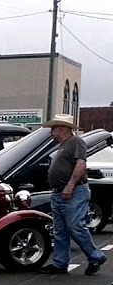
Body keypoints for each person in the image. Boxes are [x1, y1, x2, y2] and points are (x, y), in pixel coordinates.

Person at [38, 113, 105, 275]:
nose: (51, 133)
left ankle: (95, 256)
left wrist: (70, 186)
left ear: (62, 129)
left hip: (73, 192)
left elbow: (81, 164)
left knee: (75, 226)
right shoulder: (63, 145)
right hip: (59, 192)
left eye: (53, 129)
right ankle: (60, 263)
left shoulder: (76, 142)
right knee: (60, 230)